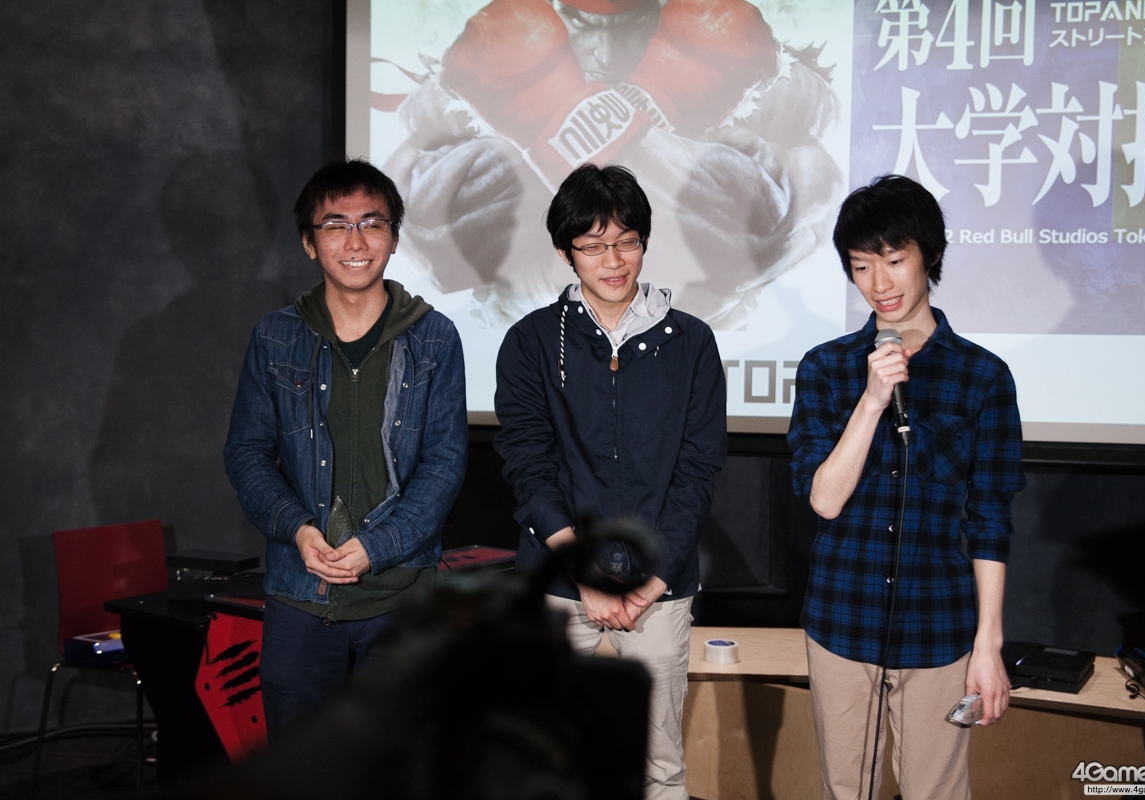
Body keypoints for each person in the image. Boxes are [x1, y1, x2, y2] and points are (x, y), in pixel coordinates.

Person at [382, 0, 839, 326]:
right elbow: (420, 214)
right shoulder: (500, 46)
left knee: (767, 204)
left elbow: (804, 193)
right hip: (535, 302)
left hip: (687, 307)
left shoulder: (726, 43)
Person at [787, 174, 1025, 799]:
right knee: (847, 790)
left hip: (939, 624)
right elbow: (824, 499)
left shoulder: (982, 376)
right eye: (861, 266)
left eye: (894, 260)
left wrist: (988, 644)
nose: (879, 283)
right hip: (843, 617)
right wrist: (871, 401)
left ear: (931, 254)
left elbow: (989, 518)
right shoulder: (826, 367)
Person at [493, 163, 726, 800]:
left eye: (627, 242)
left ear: (644, 242)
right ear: (566, 252)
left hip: (658, 587)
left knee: (659, 769)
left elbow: (698, 470)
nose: (614, 260)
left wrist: (654, 578)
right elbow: (528, 462)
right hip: (558, 582)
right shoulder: (532, 341)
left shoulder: (691, 342)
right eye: (593, 246)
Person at [224, 159, 468, 734]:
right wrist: (298, 529)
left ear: (394, 238)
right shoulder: (276, 335)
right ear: (309, 242)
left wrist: (376, 547)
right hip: (301, 594)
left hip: (405, 597)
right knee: (302, 768)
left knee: (400, 766)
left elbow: (446, 461)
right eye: (336, 225)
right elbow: (247, 453)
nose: (355, 242)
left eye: (372, 224)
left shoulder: (434, 336)